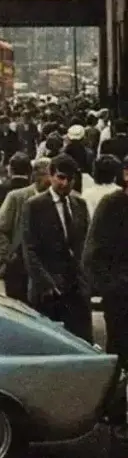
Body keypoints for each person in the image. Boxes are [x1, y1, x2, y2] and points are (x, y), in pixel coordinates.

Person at [21, 154, 92, 342]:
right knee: (46, 345)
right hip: (48, 290)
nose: (65, 183)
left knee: (82, 343)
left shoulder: (79, 205)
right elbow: (29, 249)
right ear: (51, 176)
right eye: (61, 177)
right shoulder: (34, 206)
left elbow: (84, 244)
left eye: (70, 179)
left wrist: (85, 280)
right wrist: (46, 284)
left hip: (76, 289)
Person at [83, 157, 128, 375]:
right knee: (120, 354)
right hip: (121, 296)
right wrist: (112, 287)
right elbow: (92, 253)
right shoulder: (111, 205)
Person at [0, 156, 48, 302]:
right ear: (35, 176)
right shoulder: (17, 197)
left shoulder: (59, 200)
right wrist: (10, 257)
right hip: (19, 268)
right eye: (48, 174)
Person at [62, 124, 94, 193]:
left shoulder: (62, 153)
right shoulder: (89, 153)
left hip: (67, 184)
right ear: (83, 137)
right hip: (86, 184)